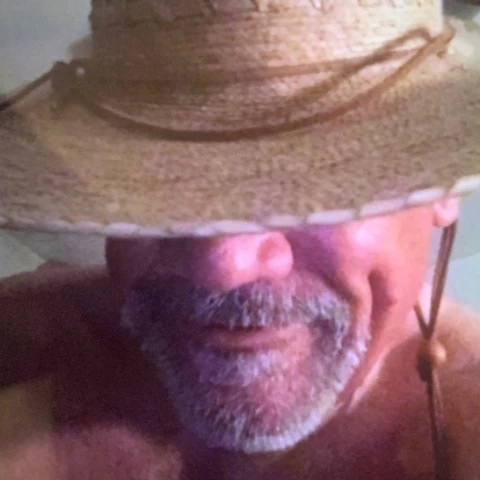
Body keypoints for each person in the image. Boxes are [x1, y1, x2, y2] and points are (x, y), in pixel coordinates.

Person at [0, 1, 479, 479]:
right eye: (154, 182)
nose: (220, 267)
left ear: (444, 186)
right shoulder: (22, 349)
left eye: (313, 181)